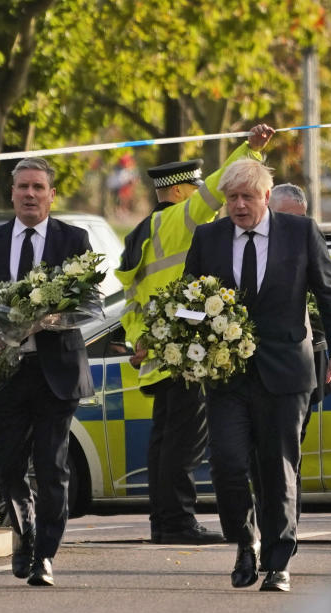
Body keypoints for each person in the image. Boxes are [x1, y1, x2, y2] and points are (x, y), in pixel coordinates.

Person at [184, 159, 331, 593]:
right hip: (227, 375)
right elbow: (189, 298)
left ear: (265, 196)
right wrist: (183, 341)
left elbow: (330, 296)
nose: (238, 206)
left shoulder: (300, 232)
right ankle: (245, 542)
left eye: (246, 197)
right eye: (230, 198)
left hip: (286, 371)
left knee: (279, 471)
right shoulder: (208, 237)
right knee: (227, 463)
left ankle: (279, 561)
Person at [116, 124, 274, 545]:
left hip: (156, 352)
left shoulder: (139, 233)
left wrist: (139, 339)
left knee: (164, 443)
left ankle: (164, 521)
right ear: (183, 191)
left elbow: (130, 302)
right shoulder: (179, 219)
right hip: (186, 353)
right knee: (184, 444)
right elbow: (220, 187)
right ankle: (177, 522)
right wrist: (252, 152)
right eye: (198, 189)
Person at [0, 157, 93, 587]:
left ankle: (44, 556)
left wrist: (53, 319)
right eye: (23, 187)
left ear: (51, 195)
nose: (30, 194)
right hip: (7, 373)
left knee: (53, 464)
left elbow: (85, 302)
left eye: (38, 187)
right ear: (12, 193)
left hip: (56, 371)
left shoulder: (73, 239)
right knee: (7, 466)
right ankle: (26, 533)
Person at [268, 183, 326, 528]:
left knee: (290, 457)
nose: (294, 226)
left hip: (296, 369)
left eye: (299, 219)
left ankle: (287, 532)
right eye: (286, 217)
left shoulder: (306, 241)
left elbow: (330, 297)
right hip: (253, 369)